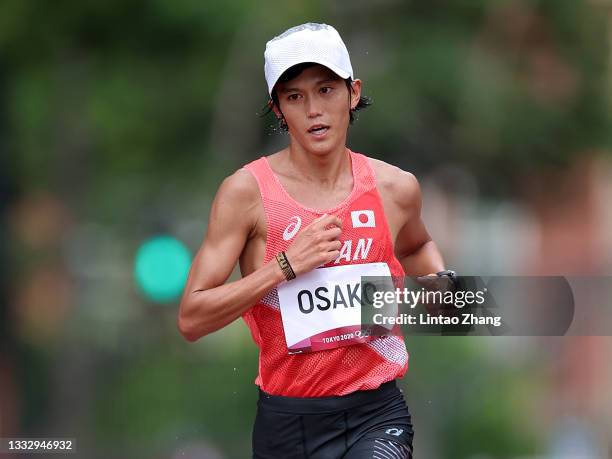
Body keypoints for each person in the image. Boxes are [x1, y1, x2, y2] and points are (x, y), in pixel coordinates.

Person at [178, 22, 449, 458]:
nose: (313, 110)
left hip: (376, 414)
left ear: (353, 93)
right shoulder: (246, 194)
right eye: (295, 97)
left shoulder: (394, 188)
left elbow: (416, 246)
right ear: (278, 109)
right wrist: (283, 266)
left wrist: (439, 283)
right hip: (287, 423)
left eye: (325, 90)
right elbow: (192, 318)